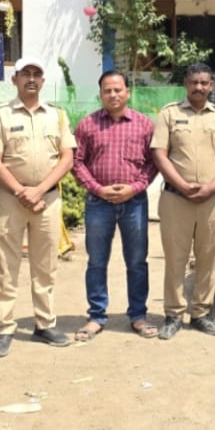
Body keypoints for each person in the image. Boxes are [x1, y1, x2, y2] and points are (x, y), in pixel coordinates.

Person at [0, 57, 77, 357]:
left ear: (43, 81)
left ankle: (45, 323)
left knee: (45, 265)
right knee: (5, 266)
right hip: (9, 199)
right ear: (14, 79)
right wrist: (21, 191)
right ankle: (4, 327)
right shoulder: (0, 115)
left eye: (37, 74)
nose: (31, 79)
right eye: (25, 74)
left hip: (47, 199)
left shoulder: (57, 115)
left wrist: (39, 190)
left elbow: (67, 158)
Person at [151, 63, 215, 340]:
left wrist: (211, 187)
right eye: (194, 82)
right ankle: (173, 314)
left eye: (204, 83)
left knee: (208, 257)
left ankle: (200, 313)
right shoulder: (169, 114)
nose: (199, 87)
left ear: (211, 86)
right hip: (176, 198)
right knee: (175, 258)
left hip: (214, 199)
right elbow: (159, 154)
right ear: (186, 84)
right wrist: (182, 185)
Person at [72, 70, 158, 341]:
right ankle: (96, 316)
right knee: (97, 262)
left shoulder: (144, 125)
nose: (113, 95)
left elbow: (153, 163)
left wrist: (135, 187)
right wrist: (98, 189)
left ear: (127, 92)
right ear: (100, 94)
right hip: (98, 202)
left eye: (118, 89)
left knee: (137, 261)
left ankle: (138, 315)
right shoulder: (87, 125)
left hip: (134, 203)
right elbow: (77, 162)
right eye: (107, 90)